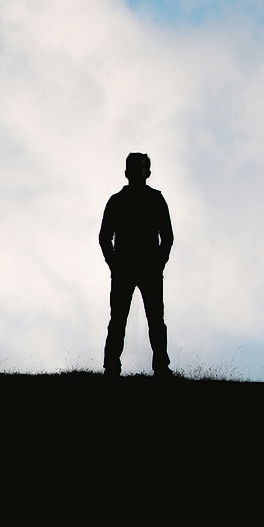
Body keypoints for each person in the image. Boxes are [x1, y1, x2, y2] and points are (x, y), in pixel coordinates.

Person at [100, 153, 175, 377]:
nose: (139, 172)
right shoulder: (118, 201)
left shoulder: (152, 199)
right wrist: (114, 263)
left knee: (153, 319)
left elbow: (168, 237)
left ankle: (159, 366)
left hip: (144, 267)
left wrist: (159, 263)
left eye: (141, 168)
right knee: (120, 319)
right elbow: (104, 237)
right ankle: (113, 367)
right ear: (127, 172)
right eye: (136, 168)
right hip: (128, 267)